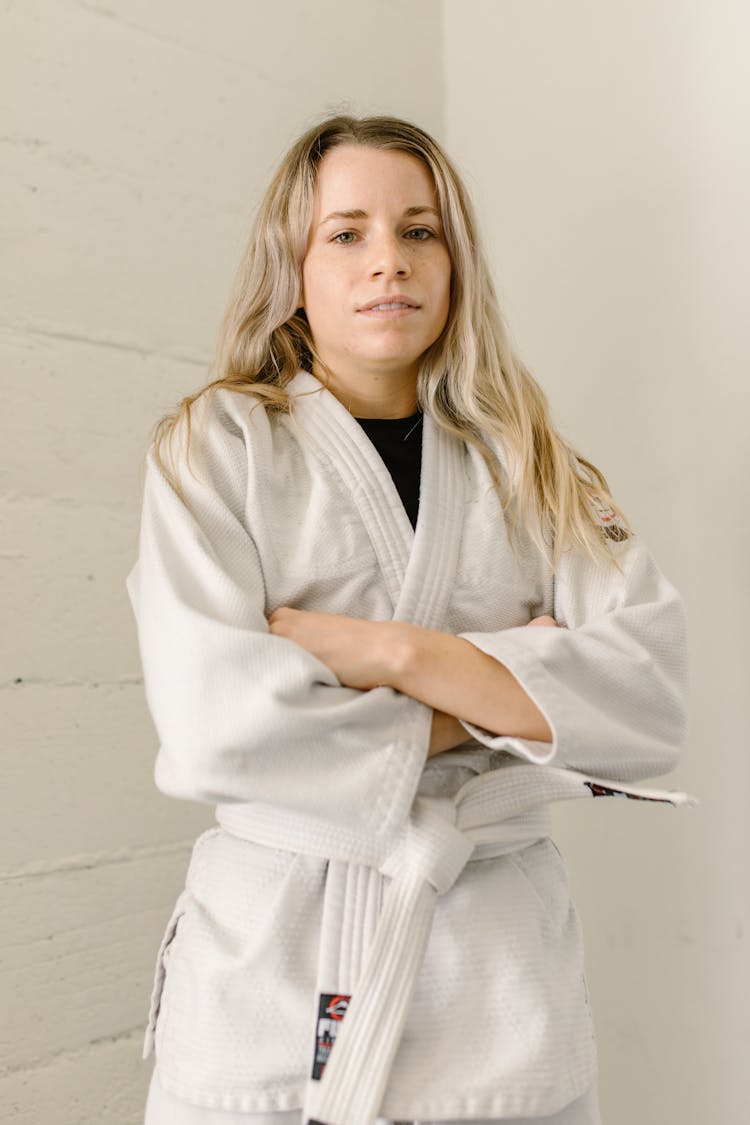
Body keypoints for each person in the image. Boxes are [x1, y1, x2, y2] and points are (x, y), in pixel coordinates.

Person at [126, 115, 690, 1125]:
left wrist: (390, 655)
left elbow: (647, 698)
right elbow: (219, 725)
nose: (389, 261)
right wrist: (502, 698)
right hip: (270, 966)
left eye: (420, 231)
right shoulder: (216, 449)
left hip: (492, 978)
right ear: (291, 264)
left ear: (455, 259)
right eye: (347, 233)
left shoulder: (535, 465)